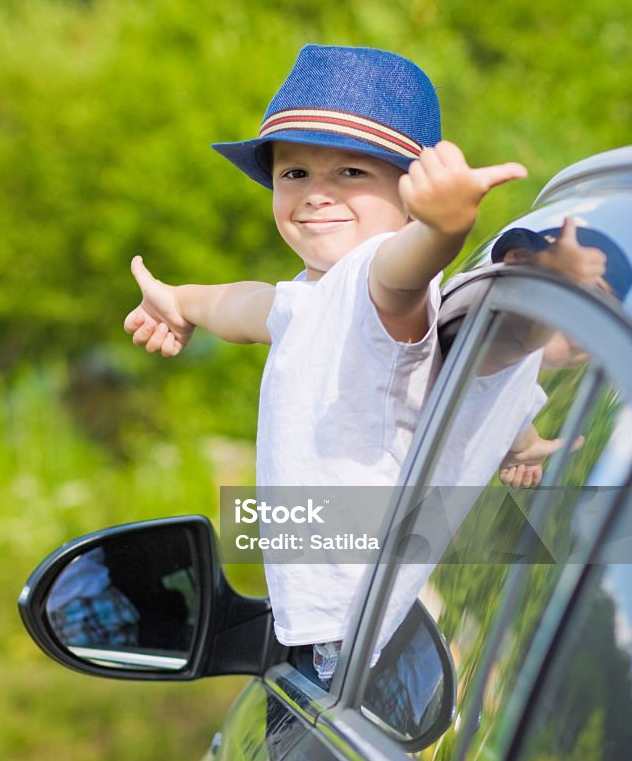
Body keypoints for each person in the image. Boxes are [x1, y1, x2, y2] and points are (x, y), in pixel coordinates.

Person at [123, 44, 528, 680]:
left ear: (409, 191)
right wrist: (179, 301)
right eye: (295, 174)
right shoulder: (314, 298)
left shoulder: (377, 281)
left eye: (351, 173)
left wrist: (444, 228)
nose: (316, 195)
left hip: (366, 633)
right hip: (336, 624)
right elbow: (250, 305)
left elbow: (403, 270)